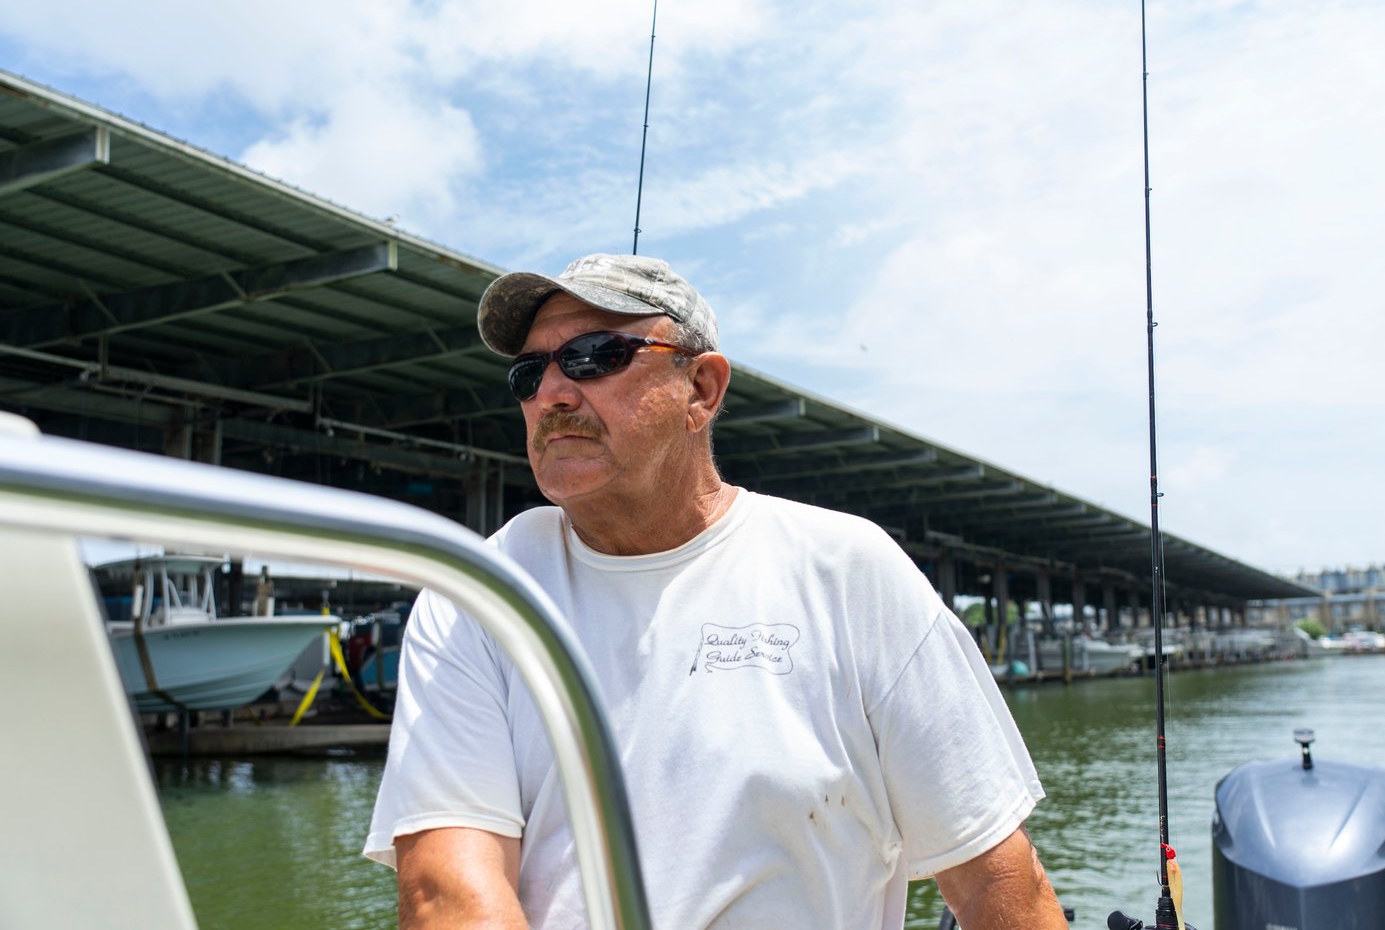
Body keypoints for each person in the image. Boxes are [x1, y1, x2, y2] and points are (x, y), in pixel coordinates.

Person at [365, 253, 1068, 929]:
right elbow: (448, 895)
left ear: (701, 390)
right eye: (529, 373)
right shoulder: (477, 599)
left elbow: (997, 883)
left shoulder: (848, 570)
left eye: (595, 357)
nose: (553, 392)